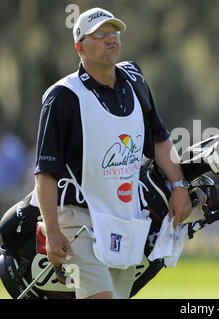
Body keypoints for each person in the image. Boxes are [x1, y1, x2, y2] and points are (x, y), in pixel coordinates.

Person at [34, 7, 191, 299]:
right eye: (101, 35)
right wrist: (53, 231)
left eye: (114, 33)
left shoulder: (135, 82)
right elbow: (45, 172)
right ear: (80, 47)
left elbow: (159, 139)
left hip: (124, 217)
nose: (112, 40)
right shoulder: (62, 97)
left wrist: (179, 185)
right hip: (76, 221)